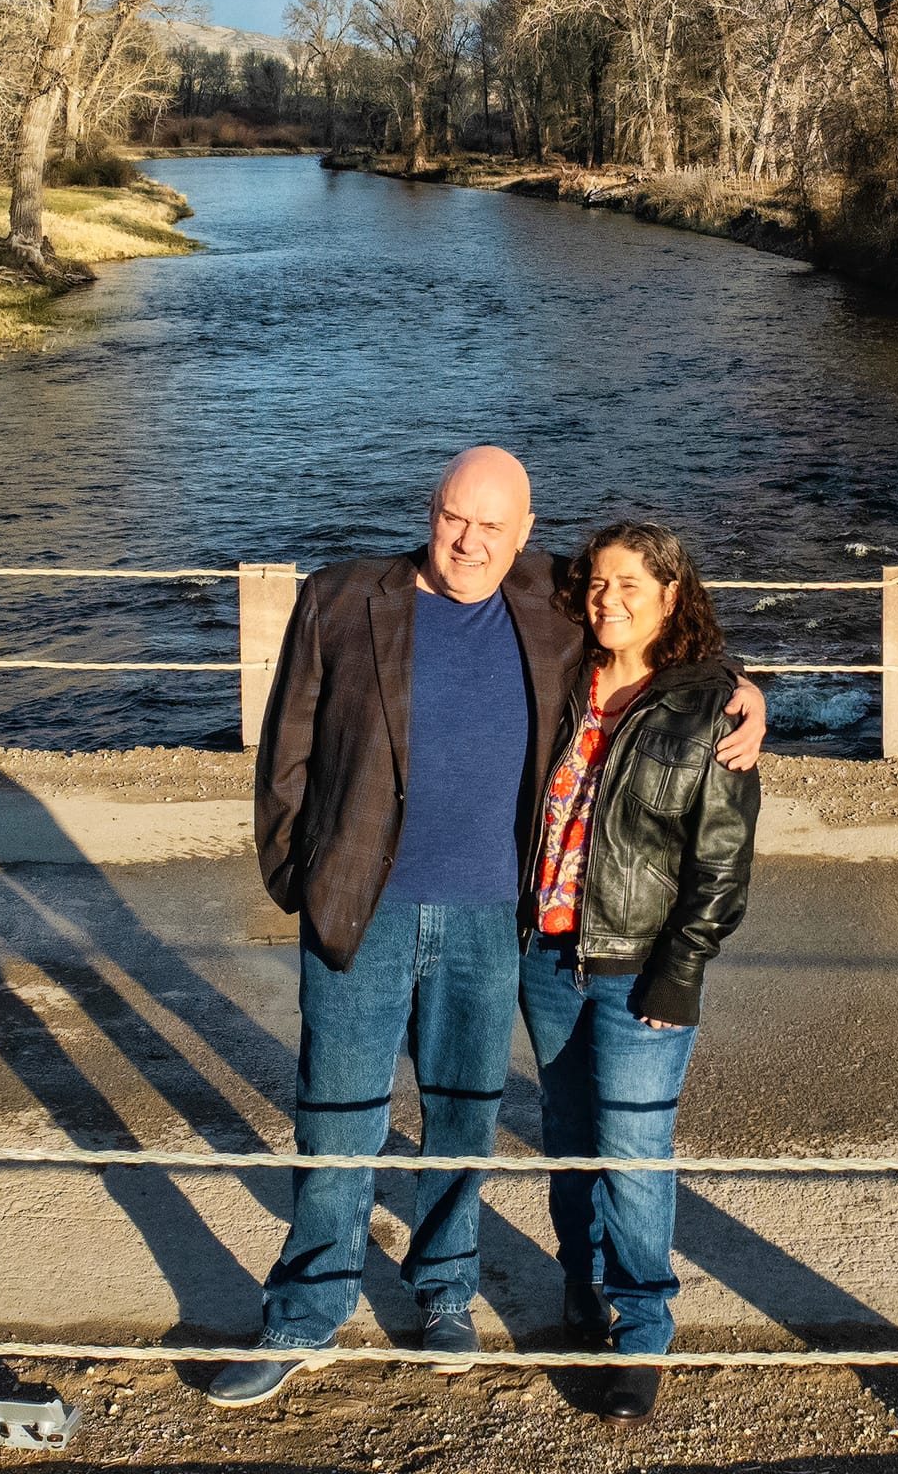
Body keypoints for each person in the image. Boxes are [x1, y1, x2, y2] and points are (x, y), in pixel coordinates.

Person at [207, 448, 765, 1408]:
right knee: (336, 1115)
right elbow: (285, 752)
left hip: (491, 918)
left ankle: (444, 1292)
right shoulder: (341, 596)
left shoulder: (551, 596)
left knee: (463, 1117)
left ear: (525, 534)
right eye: (455, 518)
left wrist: (745, 688)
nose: (469, 542)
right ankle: (305, 1312)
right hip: (363, 910)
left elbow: (658, 626)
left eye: (493, 527)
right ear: (431, 509)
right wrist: (300, 878)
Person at [519, 521, 761, 1423]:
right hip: (546, 956)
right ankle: (579, 1285)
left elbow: (722, 864)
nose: (608, 599)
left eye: (631, 584)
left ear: (671, 595)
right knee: (568, 1138)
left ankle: (644, 1328)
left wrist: (681, 971)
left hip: (642, 968)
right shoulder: (562, 679)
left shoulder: (709, 708)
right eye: (597, 583)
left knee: (632, 1153)